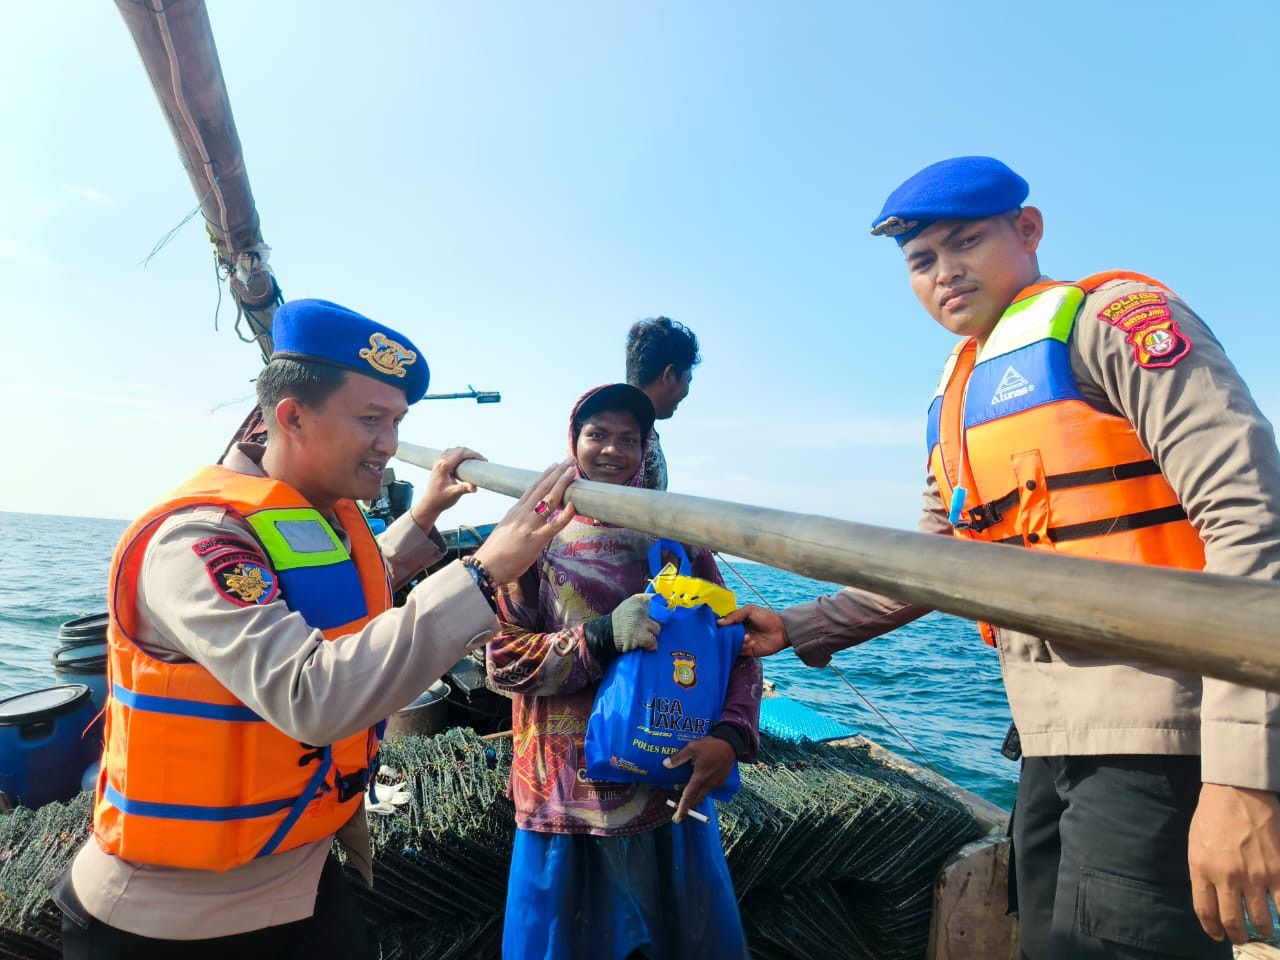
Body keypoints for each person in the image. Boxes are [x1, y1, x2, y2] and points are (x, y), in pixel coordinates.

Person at [723, 157, 1280, 959]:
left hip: (1163, 739)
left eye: (966, 243)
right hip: (1048, 744)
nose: (944, 273)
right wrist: (799, 624)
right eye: (921, 260)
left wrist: (1242, 773)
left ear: (1028, 230)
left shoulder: (1115, 322)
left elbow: (1251, 521)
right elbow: (930, 559)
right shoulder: (955, 395)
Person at [55, 298, 578, 959]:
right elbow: (310, 696)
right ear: (293, 417)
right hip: (167, 921)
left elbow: (331, 591)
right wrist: (481, 574)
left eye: (397, 422)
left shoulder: (314, 516)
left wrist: (422, 519)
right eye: (371, 419)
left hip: (297, 875)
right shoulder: (194, 541)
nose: (390, 443)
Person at [486, 382, 761, 960]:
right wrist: (601, 636)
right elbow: (502, 662)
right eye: (598, 435)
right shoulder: (535, 537)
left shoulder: (677, 541)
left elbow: (737, 644)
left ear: (646, 448)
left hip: (667, 788)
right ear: (573, 440)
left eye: (629, 439)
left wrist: (731, 736)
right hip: (564, 798)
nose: (612, 450)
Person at [625, 316, 700, 490]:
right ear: (669, 375)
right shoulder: (632, 437)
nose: (687, 391)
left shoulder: (602, 423)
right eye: (688, 380)